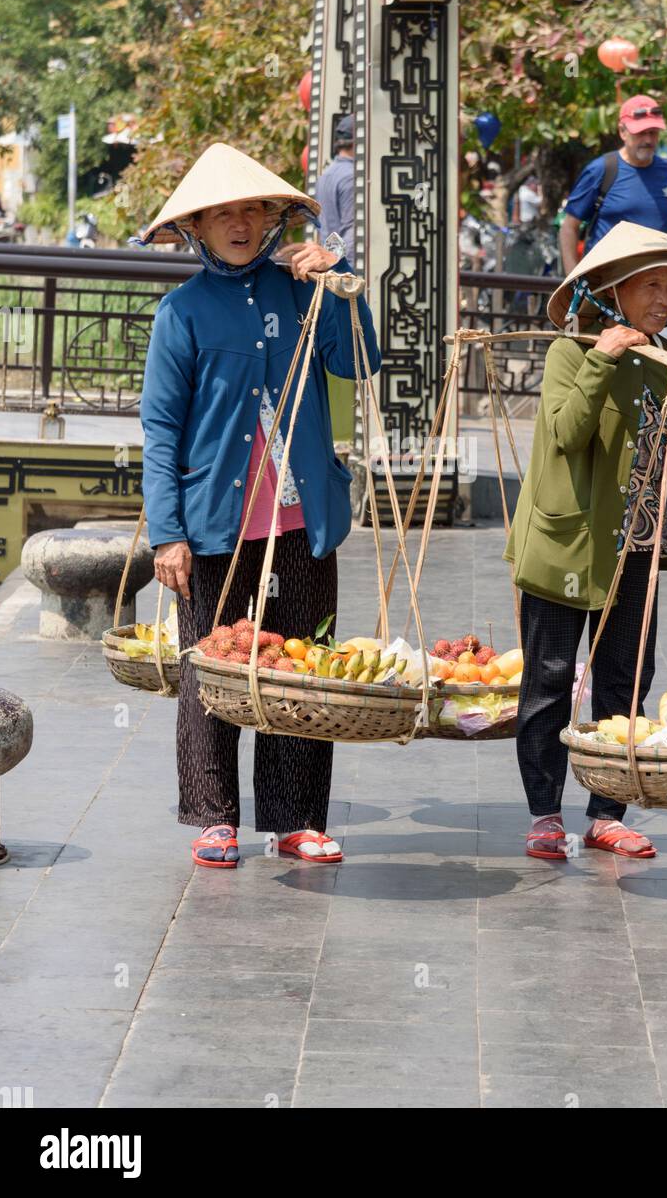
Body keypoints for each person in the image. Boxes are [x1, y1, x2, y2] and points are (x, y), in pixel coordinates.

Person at [139, 142, 381, 869]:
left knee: (300, 670)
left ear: (272, 220)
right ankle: (215, 816)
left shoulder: (304, 292)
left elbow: (358, 361)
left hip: (304, 520)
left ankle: (297, 818)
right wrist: (167, 534)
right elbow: (158, 429)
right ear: (198, 229)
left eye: (252, 210)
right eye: (222, 214)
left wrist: (340, 283)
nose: (240, 223)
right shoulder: (181, 314)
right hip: (214, 522)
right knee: (213, 668)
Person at [504, 221, 667, 861]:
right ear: (614, 290)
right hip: (566, 546)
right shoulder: (570, 353)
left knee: (624, 683)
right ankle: (544, 814)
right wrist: (600, 359)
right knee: (549, 683)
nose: (666, 297)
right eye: (652, 284)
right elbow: (563, 434)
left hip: (634, 548)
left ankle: (606, 813)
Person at [559, 95, 667, 273]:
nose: (648, 140)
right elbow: (569, 227)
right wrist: (572, 279)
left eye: (653, 132)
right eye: (641, 133)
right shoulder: (602, 170)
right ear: (622, 132)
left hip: (655, 285)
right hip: (605, 284)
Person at [315, 114, 355, 268]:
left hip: (330, 264)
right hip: (345, 266)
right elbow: (351, 231)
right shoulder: (351, 177)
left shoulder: (326, 175)